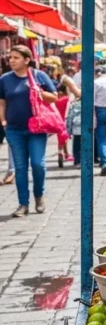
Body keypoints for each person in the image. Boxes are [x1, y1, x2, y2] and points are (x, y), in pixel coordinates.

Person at [0, 45, 58, 217]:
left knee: (38, 165)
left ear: (27, 60)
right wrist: (3, 120)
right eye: (10, 58)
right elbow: (2, 101)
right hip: (14, 129)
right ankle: (23, 204)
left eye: (16, 58)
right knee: (20, 167)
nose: (11, 60)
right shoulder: (5, 79)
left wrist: (38, 92)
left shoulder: (39, 76)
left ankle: (39, 195)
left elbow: (54, 96)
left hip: (37, 128)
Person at [47, 62, 80, 166]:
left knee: (61, 138)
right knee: (65, 138)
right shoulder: (67, 100)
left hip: (58, 121)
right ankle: (64, 153)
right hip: (66, 121)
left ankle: (62, 152)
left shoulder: (57, 101)